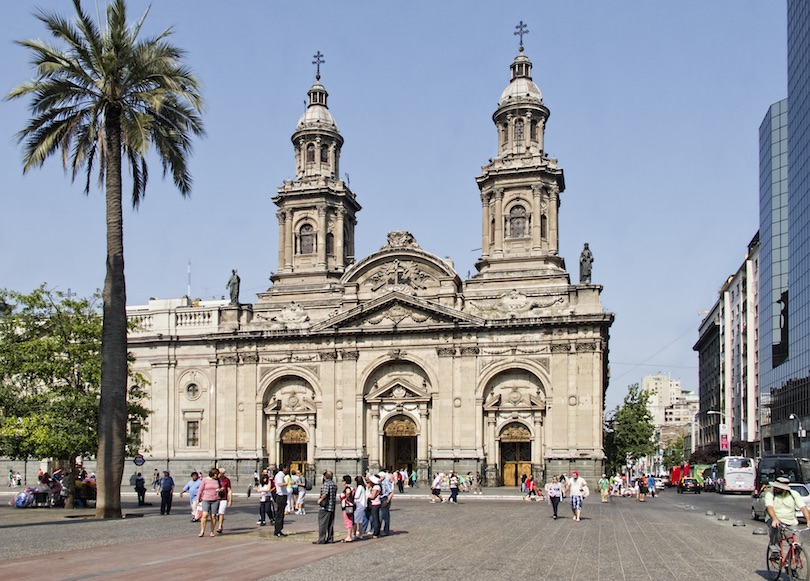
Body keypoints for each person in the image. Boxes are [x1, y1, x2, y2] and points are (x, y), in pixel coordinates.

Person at [766, 477, 810, 558]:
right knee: (775, 530)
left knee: (797, 544)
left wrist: (808, 520)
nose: (774, 488)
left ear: (783, 488)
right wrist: (775, 519)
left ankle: (791, 563)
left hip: (791, 522)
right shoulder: (770, 494)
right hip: (776, 520)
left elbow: (803, 508)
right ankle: (775, 550)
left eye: (777, 487)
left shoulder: (793, 494)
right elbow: (769, 507)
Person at [314, 470, 338, 544]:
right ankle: (330, 538)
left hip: (325, 507)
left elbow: (325, 493)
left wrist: (320, 499)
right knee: (330, 524)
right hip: (332, 506)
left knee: (323, 523)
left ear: (324, 477)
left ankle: (321, 539)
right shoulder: (334, 484)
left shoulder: (326, 484)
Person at [196, 468, 220, 537]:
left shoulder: (217, 480)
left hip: (215, 499)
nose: (217, 476)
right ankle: (202, 530)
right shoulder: (205, 480)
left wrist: (220, 490)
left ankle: (212, 531)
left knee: (213, 516)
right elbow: (200, 489)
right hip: (206, 499)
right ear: (212, 474)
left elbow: (221, 487)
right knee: (205, 515)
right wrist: (198, 499)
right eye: (216, 474)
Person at [273, 464, 289, 537]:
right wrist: (288, 483)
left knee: (281, 514)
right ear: (283, 468)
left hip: (282, 495)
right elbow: (279, 484)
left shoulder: (281, 475)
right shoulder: (280, 475)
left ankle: (279, 529)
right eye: (286, 468)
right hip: (281, 496)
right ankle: (278, 530)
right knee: (279, 514)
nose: (287, 469)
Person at [339, 475, 355, 542]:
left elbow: (348, 492)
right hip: (350, 505)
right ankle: (350, 535)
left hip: (347, 506)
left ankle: (349, 536)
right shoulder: (352, 487)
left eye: (343, 480)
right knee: (350, 519)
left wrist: (346, 498)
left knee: (348, 520)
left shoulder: (348, 488)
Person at [352, 475, 368, 540]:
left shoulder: (359, 487)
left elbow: (356, 496)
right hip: (362, 505)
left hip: (359, 505)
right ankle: (360, 534)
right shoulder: (363, 487)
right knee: (360, 521)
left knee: (355, 521)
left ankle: (354, 534)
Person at [379, 471, 395, 535]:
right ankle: (378, 530)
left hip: (385, 499)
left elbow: (391, 492)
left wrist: (387, 501)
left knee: (385, 516)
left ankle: (386, 531)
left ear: (382, 477)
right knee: (379, 516)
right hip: (380, 499)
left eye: (379, 477)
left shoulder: (386, 482)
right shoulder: (379, 483)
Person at [367, 473, 382, 538]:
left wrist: (367, 497)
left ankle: (376, 533)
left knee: (375, 519)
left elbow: (373, 496)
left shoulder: (376, 487)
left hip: (375, 504)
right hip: (377, 503)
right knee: (377, 518)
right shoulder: (378, 486)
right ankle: (377, 532)